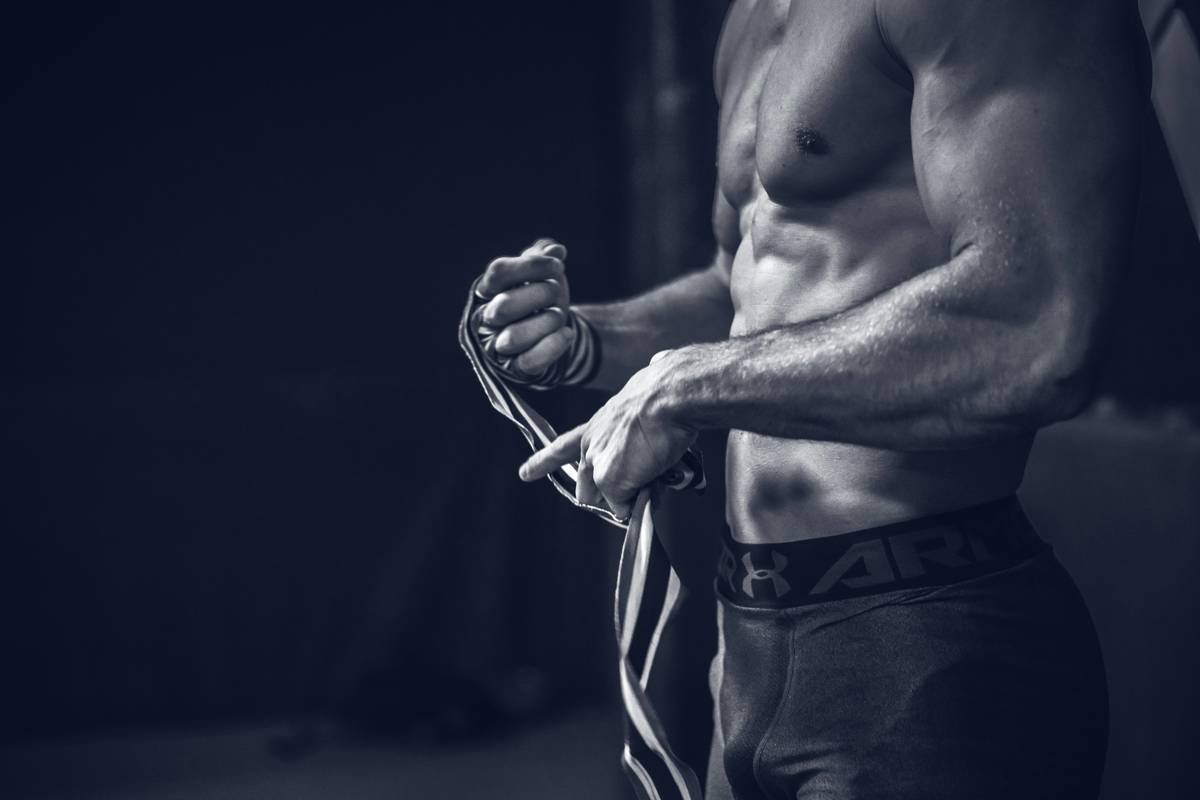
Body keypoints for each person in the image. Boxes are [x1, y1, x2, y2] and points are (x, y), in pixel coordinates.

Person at [470, 0, 1147, 797]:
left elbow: (1037, 323)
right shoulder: (751, 19)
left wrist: (683, 385)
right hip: (745, 641)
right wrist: (588, 338)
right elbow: (746, 288)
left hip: (920, 642)